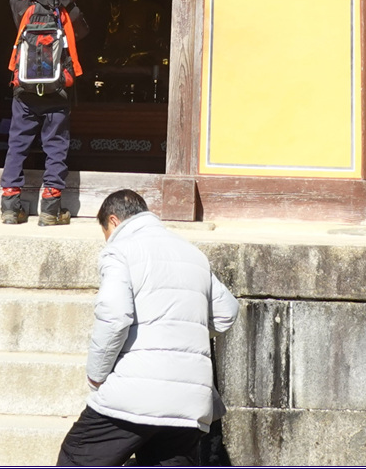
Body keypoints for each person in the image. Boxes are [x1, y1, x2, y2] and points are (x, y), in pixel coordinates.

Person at [55, 189, 238, 467]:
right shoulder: (193, 253)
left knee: (77, 456)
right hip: (189, 404)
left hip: (133, 394)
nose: (107, 239)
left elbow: (114, 316)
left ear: (113, 221)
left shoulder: (120, 250)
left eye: (105, 232)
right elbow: (227, 312)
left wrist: (97, 375)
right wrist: (183, 330)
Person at [1, 0, 87, 225]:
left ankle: (10, 207)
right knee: (56, 146)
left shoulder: (22, 6)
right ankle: (50, 209)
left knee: (17, 145)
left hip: (24, 90)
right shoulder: (68, 10)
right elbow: (83, 31)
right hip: (56, 90)